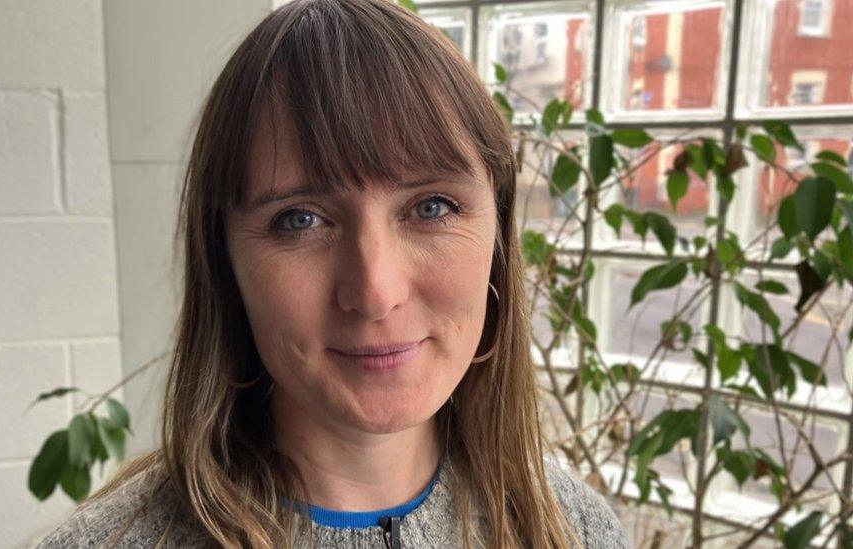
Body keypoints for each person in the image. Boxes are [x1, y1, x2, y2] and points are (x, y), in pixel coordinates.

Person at [38, 0, 629, 547]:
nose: (375, 293)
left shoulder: (575, 527)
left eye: (431, 207)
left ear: (497, 237)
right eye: (300, 219)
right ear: (227, 266)